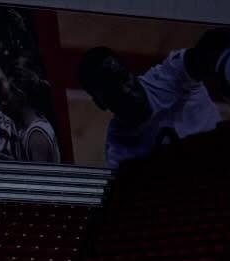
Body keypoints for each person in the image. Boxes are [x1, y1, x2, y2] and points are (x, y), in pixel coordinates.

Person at [78, 43, 219, 168]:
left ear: (131, 71)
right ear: (100, 104)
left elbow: (209, 51)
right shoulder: (118, 153)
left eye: (123, 77)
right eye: (113, 91)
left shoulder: (172, 76)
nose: (125, 90)